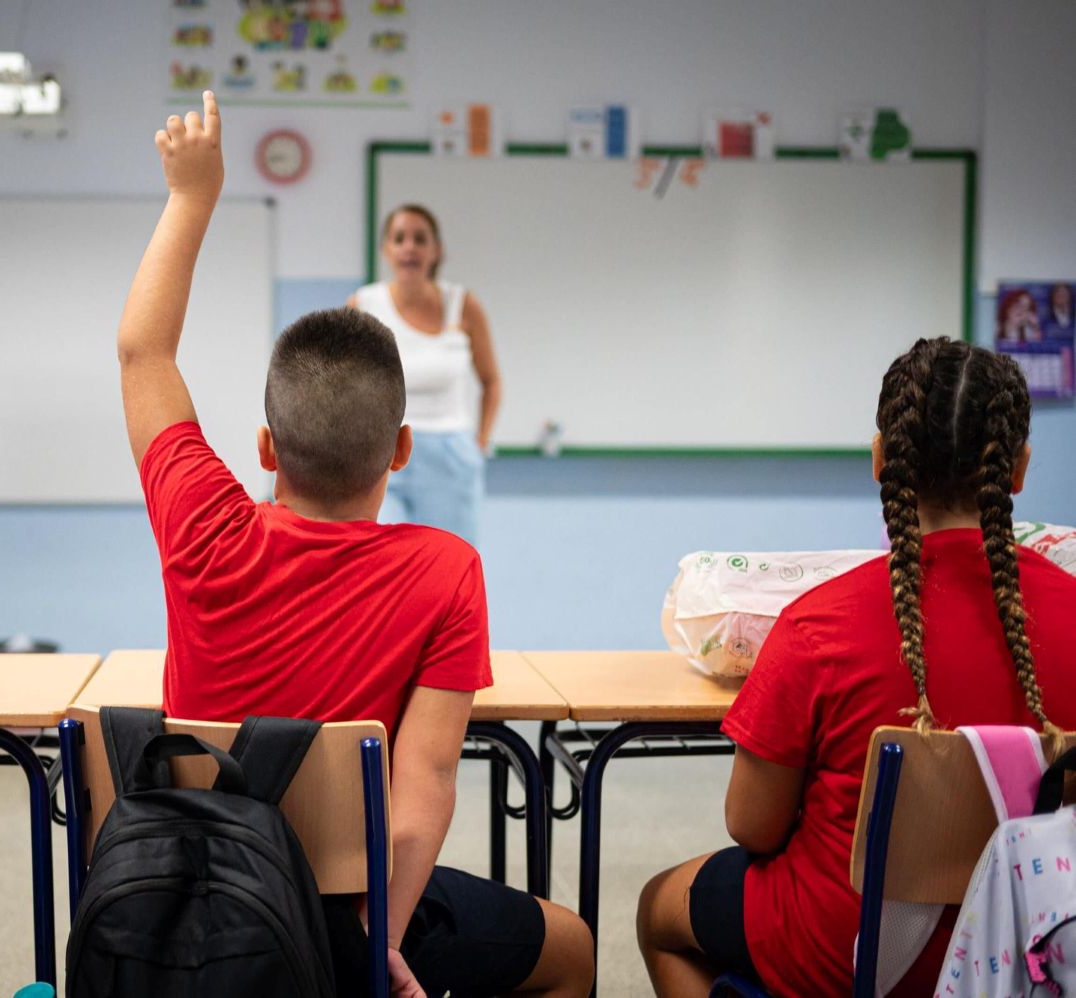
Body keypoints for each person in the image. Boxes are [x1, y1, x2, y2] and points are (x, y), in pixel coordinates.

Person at [116, 91, 592, 998]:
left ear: (265, 450)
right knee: (570, 948)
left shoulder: (201, 523)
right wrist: (383, 942)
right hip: (350, 919)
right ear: (401, 451)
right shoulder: (448, 571)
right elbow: (428, 780)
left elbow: (144, 354)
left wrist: (191, 196)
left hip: (188, 906)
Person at [634, 337, 1076, 997]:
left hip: (853, 950)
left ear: (880, 460)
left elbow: (752, 826)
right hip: (1034, 940)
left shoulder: (818, 624)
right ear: (1018, 469)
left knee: (658, 908)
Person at [347, 204, 501, 545]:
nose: (409, 247)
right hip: (383, 456)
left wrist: (479, 443)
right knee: (383, 558)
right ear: (385, 250)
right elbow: (343, 382)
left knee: (448, 560)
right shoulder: (364, 304)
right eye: (399, 239)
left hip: (450, 459)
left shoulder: (463, 305)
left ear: (436, 250)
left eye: (420, 239)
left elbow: (491, 381)